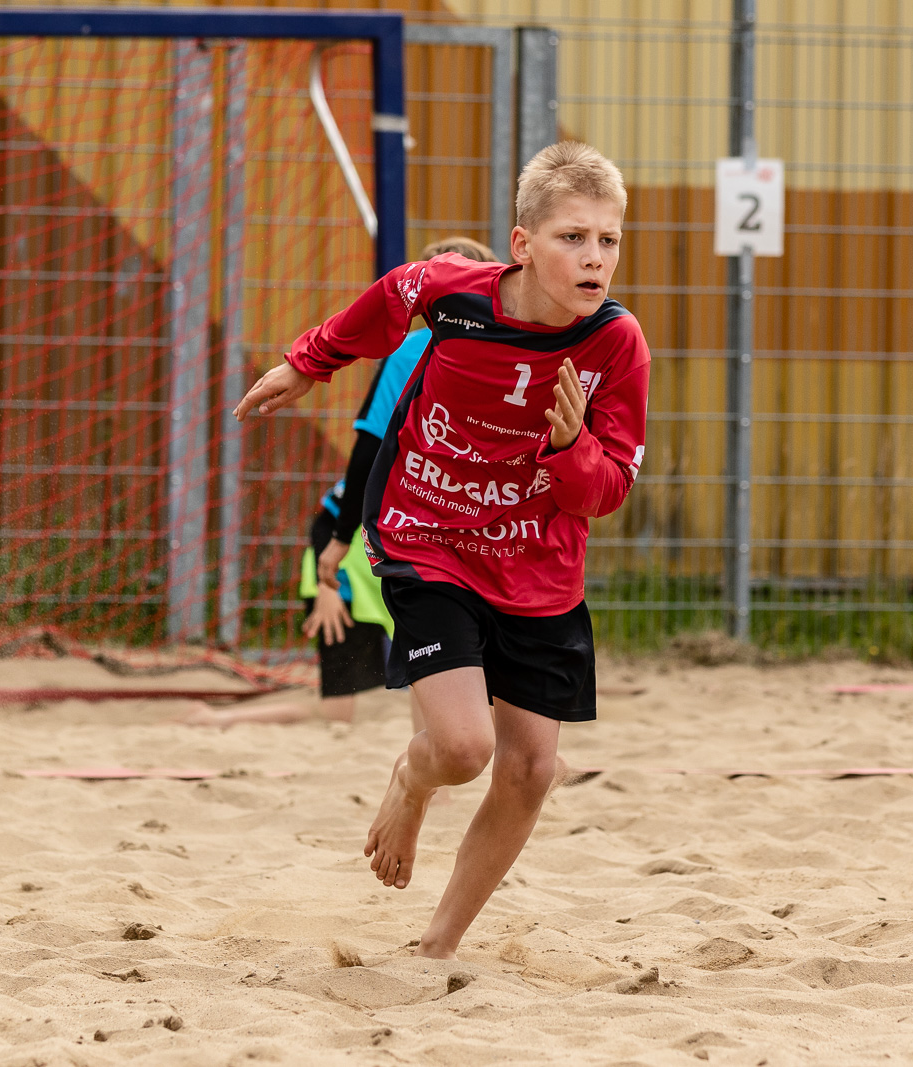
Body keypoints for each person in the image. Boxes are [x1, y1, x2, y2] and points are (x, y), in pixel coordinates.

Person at [233, 142, 650, 960]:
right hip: (430, 536)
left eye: (608, 240)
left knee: (531, 770)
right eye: (573, 237)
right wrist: (306, 363)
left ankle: (435, 950)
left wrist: (569, 448)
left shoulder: (616, 344)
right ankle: (410, 780)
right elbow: (394, 294)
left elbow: (608, 492)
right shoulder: (456, 295)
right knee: (463, 749)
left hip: (539, 565)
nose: (595, 258)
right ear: (522, 245)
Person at [186, 237, 500, 730]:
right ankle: (219, 720)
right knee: (339, 712)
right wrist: (331, 558)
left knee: (449, 687)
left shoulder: (505, 363)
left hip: (425, 554)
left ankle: (472, 766)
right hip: (355, 567)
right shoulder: (413, 351)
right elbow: (361, 463)